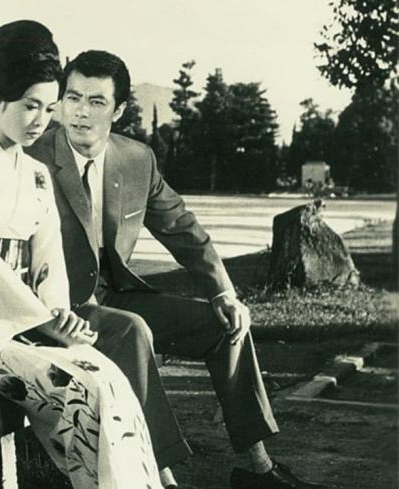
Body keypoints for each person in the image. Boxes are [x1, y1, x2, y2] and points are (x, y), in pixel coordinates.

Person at [26, 50, 326, 489]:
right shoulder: (31, 159)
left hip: (114, 296)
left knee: (224, 324)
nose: (80, 112)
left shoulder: (136, 159)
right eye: (72, 98)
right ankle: (160, 476)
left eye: (96, 101)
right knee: (132, 332)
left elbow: (181, 227)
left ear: (119, 110)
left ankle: (257, 467)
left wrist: (224, 292)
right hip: (56, 310)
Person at [0, 21, 162, 489]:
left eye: (49, 108)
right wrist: (44, 323)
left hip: (27, 324)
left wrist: (60, 315)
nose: (40, 121)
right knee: (82, 389)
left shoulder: (36, 174)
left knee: (111, 381)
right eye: (29, 106)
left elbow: (48, 264)